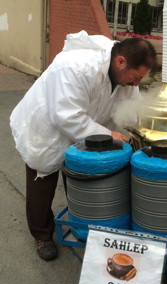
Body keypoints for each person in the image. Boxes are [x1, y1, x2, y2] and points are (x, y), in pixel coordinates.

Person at [10, 30, 157, 261]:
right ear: (121, 61)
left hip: (85, 130)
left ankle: (83, 221)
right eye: (136, 77)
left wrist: (149, 128)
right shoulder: (75, 66)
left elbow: (133, 107)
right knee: (43, 180)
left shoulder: (123, 73)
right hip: (47, 129)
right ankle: (43, 235)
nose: (137, 83)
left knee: (80, 177)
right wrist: (110, 135)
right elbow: (66, 117)